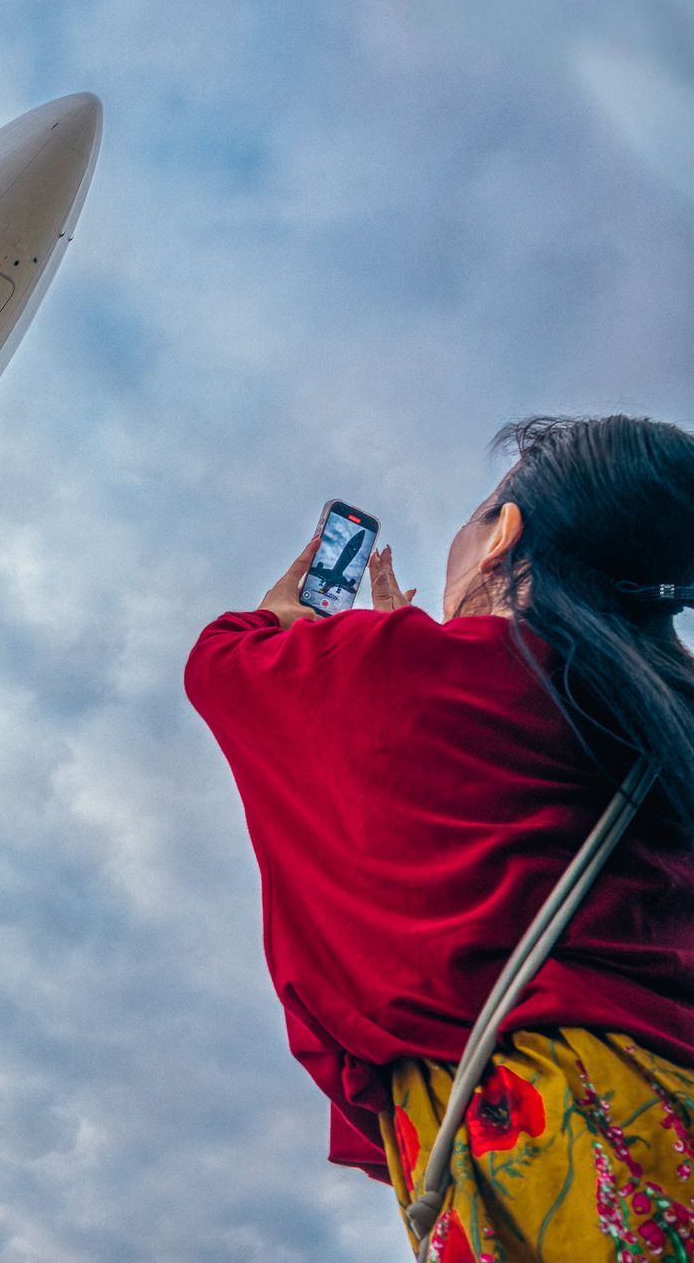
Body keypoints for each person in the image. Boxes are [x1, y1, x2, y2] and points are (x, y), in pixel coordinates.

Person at [184, 415, 694, 1261]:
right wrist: (398, 653)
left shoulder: (413, 674)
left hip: (567, 1152)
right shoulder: (667, 721)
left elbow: (223, 663)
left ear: (504, 534)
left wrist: (290, 620)